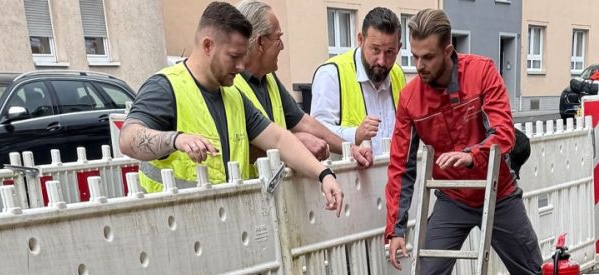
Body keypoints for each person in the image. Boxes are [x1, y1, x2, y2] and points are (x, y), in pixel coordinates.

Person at [384, 9, 545, 275]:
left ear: (448, 51)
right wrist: (395, 229)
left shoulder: (482, 72)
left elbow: (503, 132)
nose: (419, 65)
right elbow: (401, 167)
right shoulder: (410, 100)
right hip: (454, 198)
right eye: (414, 57)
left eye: (428, 57)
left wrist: (474, 154)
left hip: (497, 192)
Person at [120, 1, 345, 204]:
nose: (240, 66)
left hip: (228, 224)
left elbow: (278, 138)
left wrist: (323, 175)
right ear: (208, 46)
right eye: (234, 56)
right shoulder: (165, 87)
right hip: (174, 227)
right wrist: (176, 139)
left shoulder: (233, 96)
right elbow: (128, 139)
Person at [235, 0, 373, 167]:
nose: (282, 46)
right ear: (259, 42)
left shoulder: (269, 78)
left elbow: (304, 123)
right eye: (278, 38)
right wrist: (295, 142)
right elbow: (237, 146)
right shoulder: (230, 85)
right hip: (248, 190)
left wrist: (351, 149)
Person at [310, 7, 406, 152]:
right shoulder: (331, 74)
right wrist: (355, 134)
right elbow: (316, 133)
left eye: (390, 52)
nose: (381, 60)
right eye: (375, 49)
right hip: (348, 174)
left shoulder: (397, 74)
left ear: (399, 48)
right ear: (360, 40)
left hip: (392, 172)